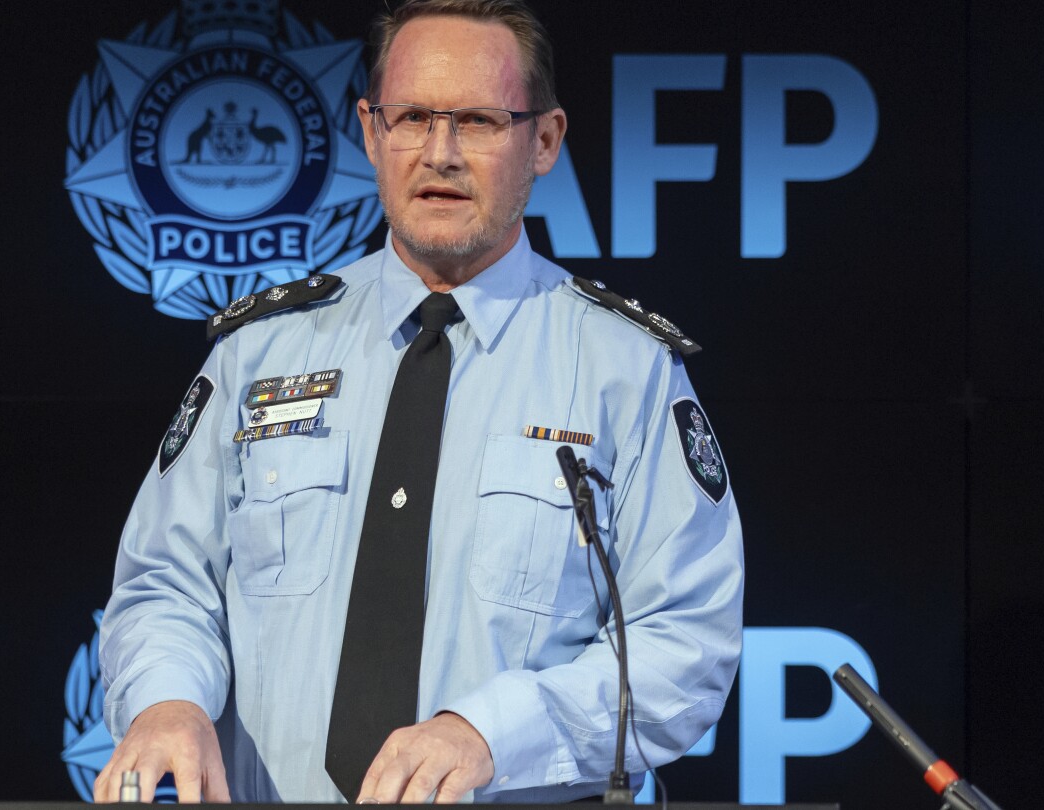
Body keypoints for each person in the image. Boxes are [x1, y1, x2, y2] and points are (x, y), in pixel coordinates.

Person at [94, 0, 744, 803]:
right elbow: (165, 582)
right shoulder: (258, 353)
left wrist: (493, 732)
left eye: (478, 121)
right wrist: (168, 702)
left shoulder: (626, 370)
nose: (440, 153)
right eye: (411, 119)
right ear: (371, 133)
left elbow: (685, 642)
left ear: (544, 141)